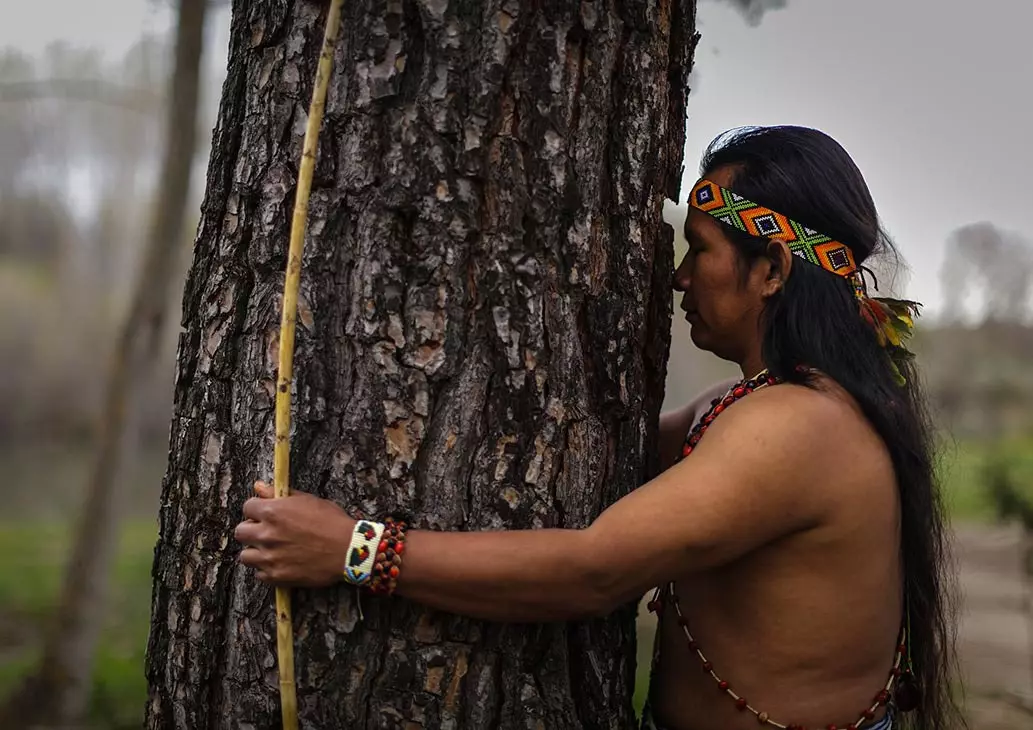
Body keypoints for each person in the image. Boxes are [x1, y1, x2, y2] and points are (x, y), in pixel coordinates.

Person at [234, 126, 960, 730]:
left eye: (699, 250)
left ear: (770, 269)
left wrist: (353, 548)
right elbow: (624, 453)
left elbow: (592, 572)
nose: (678, 278)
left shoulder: (799, 425)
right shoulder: (761, 406)